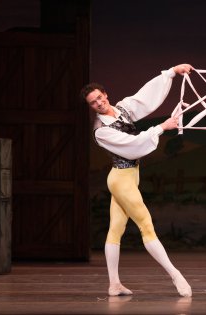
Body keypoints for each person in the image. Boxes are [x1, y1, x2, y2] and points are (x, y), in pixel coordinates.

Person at [80, 64, 194, 297]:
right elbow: (133, 146)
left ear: (106, 95)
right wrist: (162, 127)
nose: (99, 104)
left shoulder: (121, 109)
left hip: (130, 176)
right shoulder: (101, 130)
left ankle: (114, 285)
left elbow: (145, 97)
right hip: (121, 179)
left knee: (115, 229)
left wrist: (172, 72)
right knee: (146, 225)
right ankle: (176, 276)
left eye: (100, 98)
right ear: (90, 106)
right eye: (93, 102)